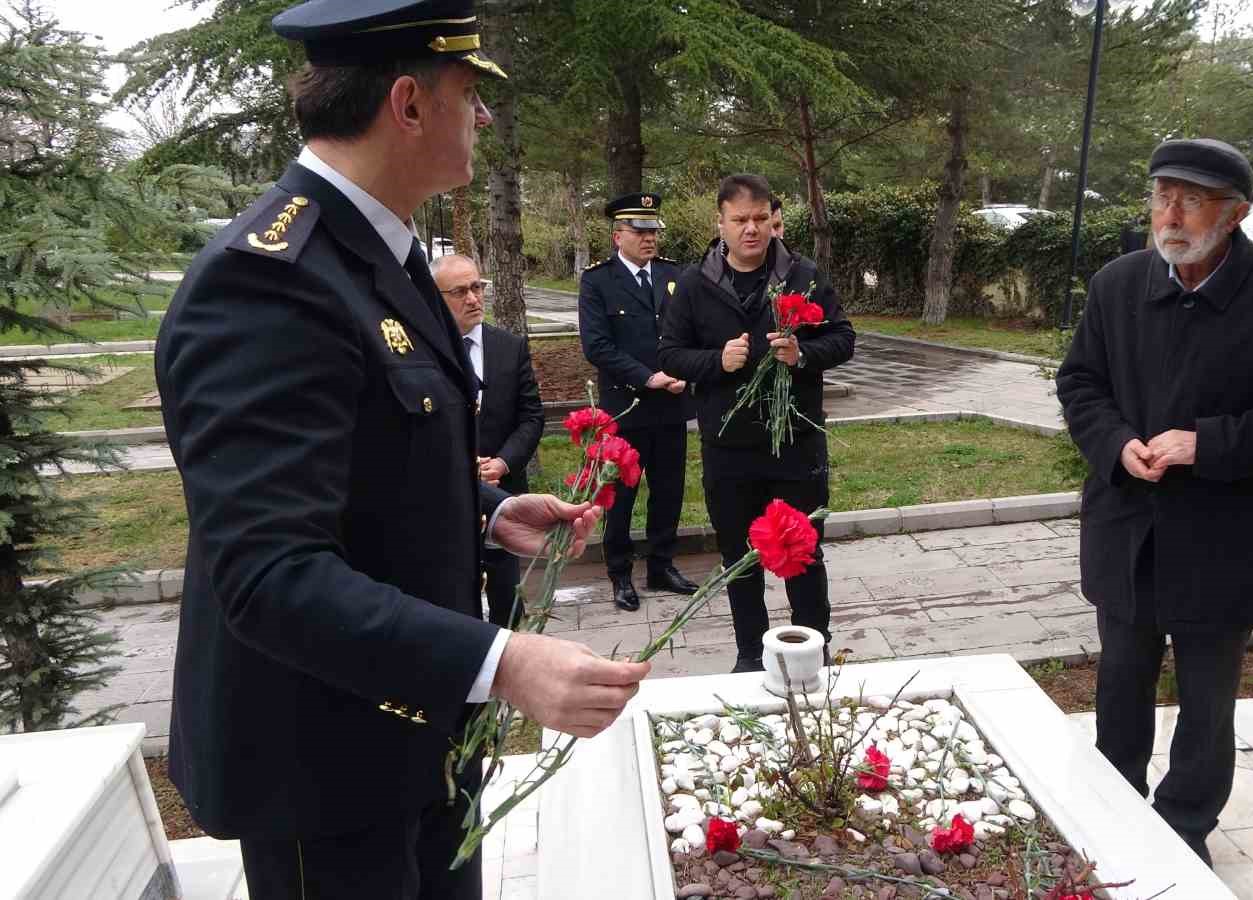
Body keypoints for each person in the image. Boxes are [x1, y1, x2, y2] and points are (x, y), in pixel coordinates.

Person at [154, 3, 650, 897]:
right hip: (326, 774)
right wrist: (504, 663)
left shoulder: (375, 252)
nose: (485, 118)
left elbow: (366, 465)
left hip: (418, 739)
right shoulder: (269, 282)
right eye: (470, 93)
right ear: (410, 104)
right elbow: (269, 576)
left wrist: (489, 516)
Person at [1056, 138, 1253, 867]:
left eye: (1192, 199)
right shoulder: (1116, 285)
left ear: (1237, 213)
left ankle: (1184, 834)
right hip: (1128, 532)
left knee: (1208, 704)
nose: (1172, 214)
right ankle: (1113, 818)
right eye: (1161, 196)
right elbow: (1080, 385)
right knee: (1120, 687)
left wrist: (1204, 444)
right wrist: (1116, 443)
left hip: (1224, 542)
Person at [659, 174, 856, 672]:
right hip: (728, 446)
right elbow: (669, 353)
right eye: (739, 220)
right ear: (719, 223)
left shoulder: (802, 273)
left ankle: (815, 650)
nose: (751, 229)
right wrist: (716, 363)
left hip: (796, 443)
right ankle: (750, 655)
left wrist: (802, 353)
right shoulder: (694, 284)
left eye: (760, 219)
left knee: (804, 554)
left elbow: (844, 339)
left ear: (773, 219)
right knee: (738, 557)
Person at [578, 193, 699, 611]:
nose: (650, 238)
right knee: (621, 496)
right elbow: (596, 346)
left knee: (668, 491)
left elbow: (690, 331)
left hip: (671, 405)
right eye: (640, 231)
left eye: (653, 231)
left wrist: (686, 369)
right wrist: (648, 377)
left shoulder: (674, 275)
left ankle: (662, 565)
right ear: (618, 236)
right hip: (626, 408)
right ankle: (620, 573)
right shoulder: (597, 281)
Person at [432, 253, 546, 627]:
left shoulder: (509, 347)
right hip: (447, 497)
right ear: (435, 298)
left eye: (478, 287)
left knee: (507, 599)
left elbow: (531, 416)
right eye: (460, 291)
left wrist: (502, 462)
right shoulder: (424, 352)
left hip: (504, 491)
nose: (474, 299)